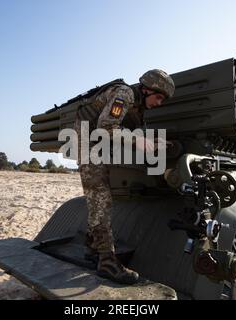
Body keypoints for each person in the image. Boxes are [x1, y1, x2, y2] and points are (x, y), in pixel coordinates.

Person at [74, 69, 175, 284]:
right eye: (158, 97)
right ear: (147, 89)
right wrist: (137, 142)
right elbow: (106, 127)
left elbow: (135, 134)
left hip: (98, 142)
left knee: (101, 197)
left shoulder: (138, 106)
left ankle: (92, 248)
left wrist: (153, 144)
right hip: (87, 141)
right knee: (100, 200)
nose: (159, 103)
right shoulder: (125, 94)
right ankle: (107, 262)